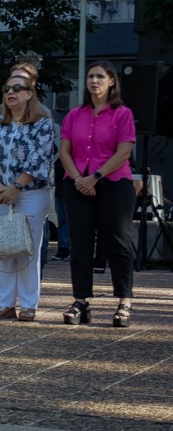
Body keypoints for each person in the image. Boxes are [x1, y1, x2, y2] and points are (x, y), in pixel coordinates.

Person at [59, 60, 138, 327]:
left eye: (100, 77)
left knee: (118, 241)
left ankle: (124, 301)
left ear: (111, 81)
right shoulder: (75, 114)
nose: (94, 81)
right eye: (91, 77)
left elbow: (123, 152)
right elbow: (65, 152)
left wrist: (95, 177)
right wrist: (80, 179)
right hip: (79, 183)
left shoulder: (122, 114)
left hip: (114, 183)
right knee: (80, 244)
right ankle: (81, 300)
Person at [0, 76, 54, 322]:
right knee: (3, 248)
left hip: (31, 194)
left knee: (28, 250)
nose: (11, 92)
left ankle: (29, 304)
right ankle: (5, 303)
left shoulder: (42, 123)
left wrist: (16, 187)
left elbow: (40, 159)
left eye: (17, 88)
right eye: (7, 88)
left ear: (30, 94)